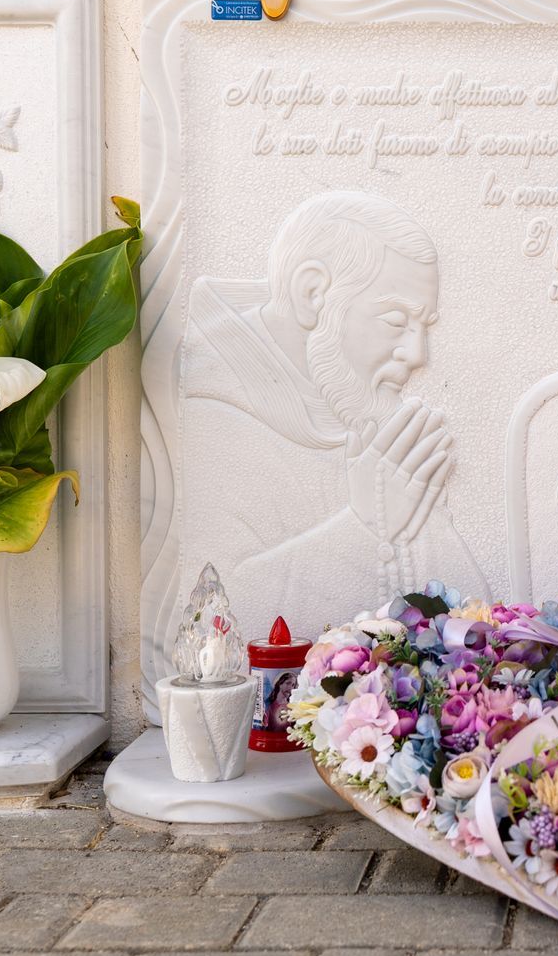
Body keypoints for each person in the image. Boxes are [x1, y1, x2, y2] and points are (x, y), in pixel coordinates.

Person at [177, 192, 490, 650]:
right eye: (395, 318)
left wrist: (416, 517)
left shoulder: (348, 408)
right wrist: (364, 523)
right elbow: (206, 632)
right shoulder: (213, 422)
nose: (418, 355)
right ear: (313, 294)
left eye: (424, 325)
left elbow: (476, 624)